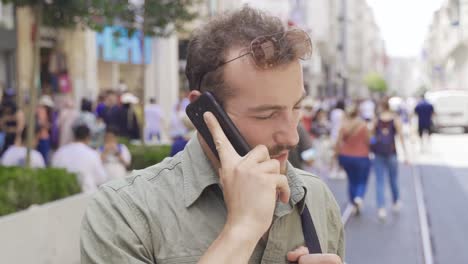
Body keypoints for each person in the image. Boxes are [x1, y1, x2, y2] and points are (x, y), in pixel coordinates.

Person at [81, 7, 344, 264]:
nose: (291, 137)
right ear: (204, 111)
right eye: (266, 115)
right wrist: (241, 231)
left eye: (296, 107)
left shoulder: (316, 197)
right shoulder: (126, 212)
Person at [371, 98, 408, 220]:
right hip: (392, 153)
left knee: (380, 181)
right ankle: (395, 202)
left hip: (378, 153)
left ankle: (381, 208)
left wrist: (371, 148)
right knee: (393, 180)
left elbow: (371, 135)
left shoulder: (376, 119)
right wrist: (406, 154)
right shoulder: (395, 119)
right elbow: (401, 137)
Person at [335, 104, 371, 214]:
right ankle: (359, 197)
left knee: (351, 180)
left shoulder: (344, 125)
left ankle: (353, 202)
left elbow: (338, 142)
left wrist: (336, 156)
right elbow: (368, 141)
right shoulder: (363, 125)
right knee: (362, 180)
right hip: (362, 156)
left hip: (346, 156)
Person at [52, 124, 108, 193]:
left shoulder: (60, 152)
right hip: (86, 195)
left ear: (74, 136)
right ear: (88, 137)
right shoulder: (92, 153)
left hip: (63, 194)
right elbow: (101, 178)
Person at [329, 100, 346, 179]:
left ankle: (332, 170)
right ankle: (340, 170)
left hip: (333, 133)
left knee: (333, 153)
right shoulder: (342, 113)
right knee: (341, 153)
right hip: (340, 134)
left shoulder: (333, 112)